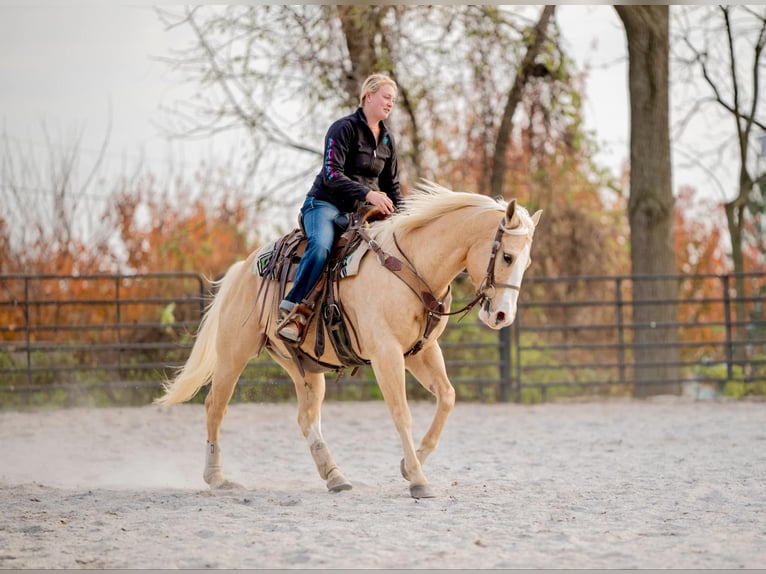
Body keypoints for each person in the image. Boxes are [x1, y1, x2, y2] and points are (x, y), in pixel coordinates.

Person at [277, 73, 404, 342]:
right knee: (321, 246)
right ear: (368, 96)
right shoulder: (343, 128)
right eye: (386, 97)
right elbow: (332, 174)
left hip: (359, 214)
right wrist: (369, 193)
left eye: (393, 100)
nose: (391, 103)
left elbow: (392, 185)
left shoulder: (387, 140)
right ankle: (293, 308)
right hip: (324, 204)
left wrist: (404, 218)